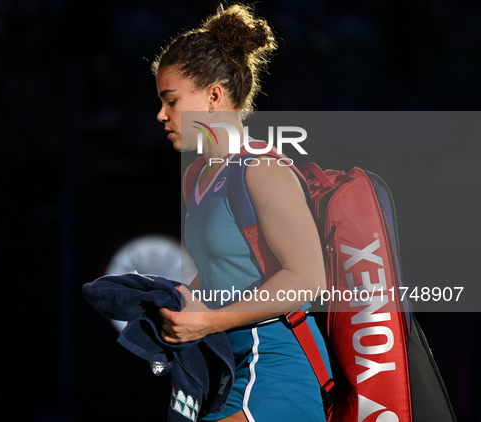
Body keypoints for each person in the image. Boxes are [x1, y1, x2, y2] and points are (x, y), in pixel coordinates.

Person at [152, 4, 331, 422]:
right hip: (226, 369)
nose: (161, 115)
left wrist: (209, 322)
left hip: (274, 369)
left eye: (172, 101)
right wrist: (176, 305)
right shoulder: (195, 175)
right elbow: (218, 271)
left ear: (213, 96)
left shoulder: (262, 169)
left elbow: (307, 279)